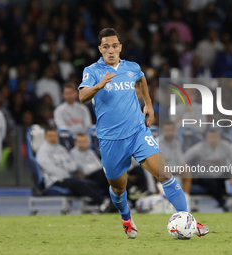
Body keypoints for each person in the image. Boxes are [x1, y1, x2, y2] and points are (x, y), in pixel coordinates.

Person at [78, 28, 208, 238]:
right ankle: (126, 217)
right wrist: (98, 86)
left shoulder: (132, 67)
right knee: (119, 188)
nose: (110, 50)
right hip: (110, 140)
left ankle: (188, 219)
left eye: (114, 46)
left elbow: (141, 79)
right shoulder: (92, 71)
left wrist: (147, 104)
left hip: (137, 132)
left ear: (120, 47)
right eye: (106, 47)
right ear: (100, 49)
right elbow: (82, 96)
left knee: (164, 174)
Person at [36, 127, 106, 207]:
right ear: (45, 137)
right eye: (50, 136)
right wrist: (66, 173)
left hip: (68, 178)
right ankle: (102, 202)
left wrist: (68, 169)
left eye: (54, 135)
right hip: (55, 181)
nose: (53, 138)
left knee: (89, 183)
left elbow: (72, 166)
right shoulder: (42, 151)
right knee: (81, 183)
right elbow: (49, 168)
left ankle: (103, 203)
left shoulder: (61, 149)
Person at [184, 128, 231, 211]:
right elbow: (184, 159)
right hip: (203, 176)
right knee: (212, 182)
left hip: (220, 175)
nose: (213, 140)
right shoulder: (199, 148)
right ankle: (223, 203)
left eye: (215, 137)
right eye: (210, 137)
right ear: (206, 138)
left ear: (219, 138)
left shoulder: (226, 147)